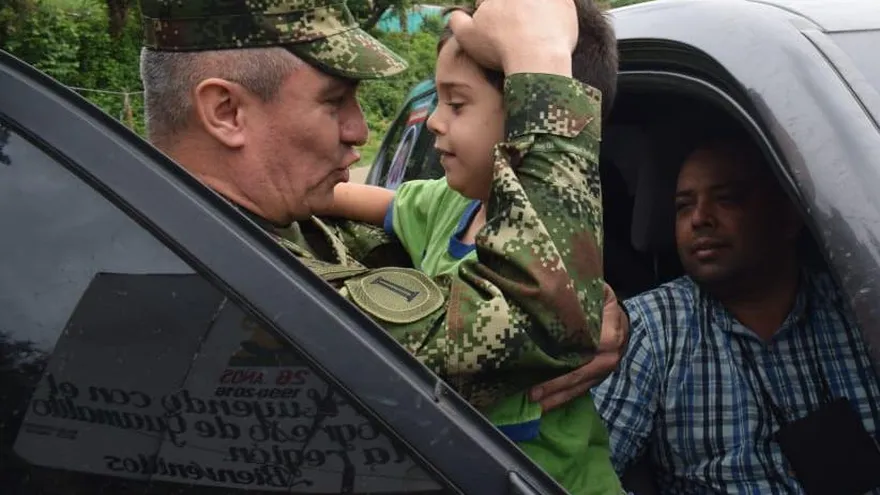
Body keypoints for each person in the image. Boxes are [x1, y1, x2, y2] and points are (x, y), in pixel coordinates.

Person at [138, 0, 629, 467]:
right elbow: (537, 319)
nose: (358, 130)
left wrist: (588, 299)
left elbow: (445, 276)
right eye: (334, 101)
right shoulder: (228, 285)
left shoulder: (274, 226)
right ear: (226, 112)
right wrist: (541, 61)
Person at [312, 2, 620, 492]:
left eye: (456, 104)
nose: (433, 121)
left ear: (529, 117)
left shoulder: (559, 243)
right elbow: (349, 198)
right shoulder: (444, 207)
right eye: (436, 101)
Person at [592, 129, 880, 494]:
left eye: (727, 199)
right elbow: (582, 470)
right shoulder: (652, 328)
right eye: (683, 206)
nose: (699, 218)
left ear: (788, 218)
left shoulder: (859, 309)